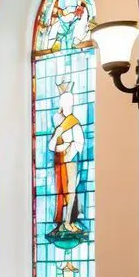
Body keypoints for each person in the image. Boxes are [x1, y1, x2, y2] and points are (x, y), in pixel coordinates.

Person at [48, 88, 85, 234]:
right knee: (61, 191)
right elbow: (51, 145)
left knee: (71, 190)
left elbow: (80, 143)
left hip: (71, 161)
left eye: (70, 103)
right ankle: (61, 222)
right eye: (65, 103)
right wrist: (62, 146)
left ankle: (68, 221)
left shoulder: (74, 123)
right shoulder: (59, 127)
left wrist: (72, 148)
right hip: (60, 161)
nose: (68, 106)